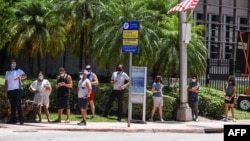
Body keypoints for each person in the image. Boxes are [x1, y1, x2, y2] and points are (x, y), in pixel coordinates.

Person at [4, 59, 27, 125]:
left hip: (18, 89)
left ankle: (21, 120)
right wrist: (5, 91)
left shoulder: (18, 71)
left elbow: (25, 76)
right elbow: (6, 82)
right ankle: (13, 120)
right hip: (10, 90)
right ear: (10, 64)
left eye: (14, 63)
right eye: (12, 63)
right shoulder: (7, 72)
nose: (13, 65)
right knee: (12, 105)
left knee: (18, 104)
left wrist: (19, 77)